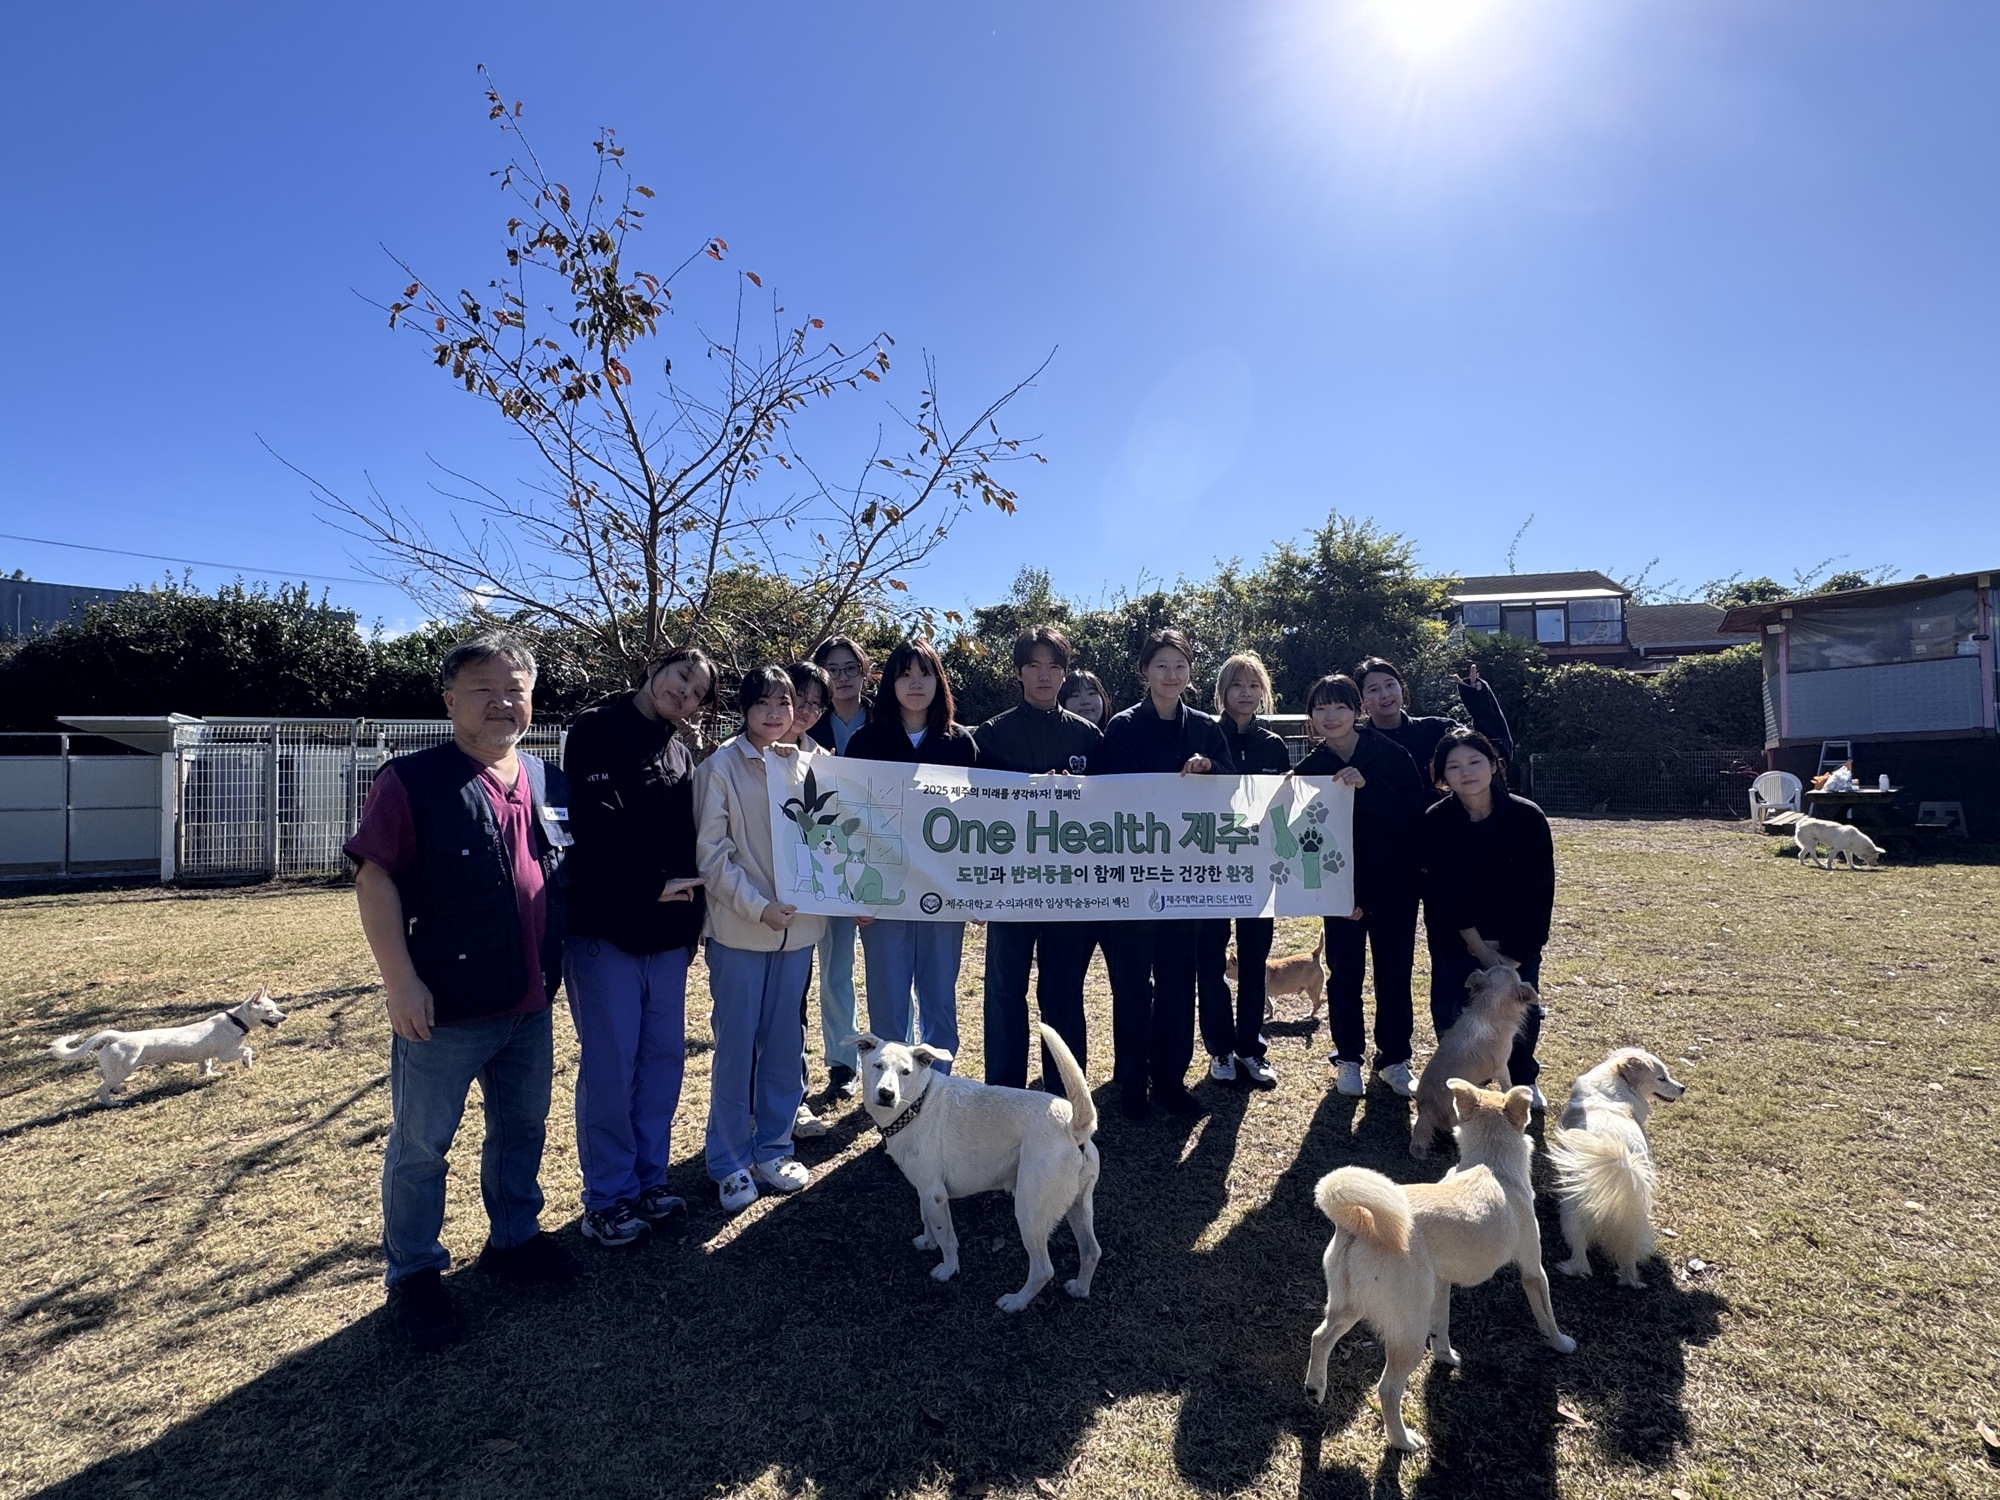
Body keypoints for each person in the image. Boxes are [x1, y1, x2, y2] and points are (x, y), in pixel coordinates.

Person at [346, 632, 576, 1352]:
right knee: (421, 1146)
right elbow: (374, 878)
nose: (502, 702)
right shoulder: (411, 780)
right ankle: (414, 1273)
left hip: (530, 1000)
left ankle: (514, 1238)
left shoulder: (545, 778)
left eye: (515, 689)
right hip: (445, 1005)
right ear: (450, 701)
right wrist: (400, 982)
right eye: (483, 689)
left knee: (523, 1129)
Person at [561, 646, 717, 1251]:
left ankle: (650, 1180)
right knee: (611, 1065)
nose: (685, 694)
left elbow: (689, 839)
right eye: (681, 677)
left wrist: (692, 917)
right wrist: (651, 883)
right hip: (607, 929)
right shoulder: (595, 729)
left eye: (698, 692)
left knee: (662, 1061)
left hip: (669, 935)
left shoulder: (679, 752)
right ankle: (607, 1197)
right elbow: (592, 827)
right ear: (655, 669)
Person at [695, 668, 829, 1213]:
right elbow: (713, 856)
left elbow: (837, 840)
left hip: (799, 933)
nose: (775, 714)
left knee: (783, 1044)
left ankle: (774, 1147)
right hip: (740, 932)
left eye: (784, 703)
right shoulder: (720, 767)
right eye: (763, 703)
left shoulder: (812, 764)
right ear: (745, 709)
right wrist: (758, 907)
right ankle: (728, 1161)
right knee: (735, 1048)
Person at [1094, 628, 1236, 1121]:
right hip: (1134, 877)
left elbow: (1233, 783)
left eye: (1180, 666)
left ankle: (1171, 1081)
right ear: (1145, 672)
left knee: (1179, 982)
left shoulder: (1205, 728)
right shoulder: (1123, 727)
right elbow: (1110, 793)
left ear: (1190, 672)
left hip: (1187, 878)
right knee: (1133, 986)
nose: (1171, 675)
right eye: (1161, 666)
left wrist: (1210, 767)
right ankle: (1132, 1083)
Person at [972, 625, 1104, 1091]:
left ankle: (1065, 1093)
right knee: (1005, 990)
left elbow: (1111, 810)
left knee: (1062, 992)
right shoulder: (991, 735)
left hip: (1069, 886)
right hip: (1010, 885)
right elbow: (975, 810)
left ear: (1064, 673)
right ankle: (1004, 1092)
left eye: (1053, 666)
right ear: (1019, 672)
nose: (1044, 676)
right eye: (1034, 666)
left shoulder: (1089, 738)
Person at [1293, 674, 1430, 1101]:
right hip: (1340, 892)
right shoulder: (1310, 768)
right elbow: (1293, 834)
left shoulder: (1389, 754)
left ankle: (1394, 1058)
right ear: (1311, 718)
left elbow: (1414, 816)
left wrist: (1368, 787)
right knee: (1344, 974)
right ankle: (1348, 1057)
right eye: (1321, 708)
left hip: (1394, 887)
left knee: (1394, 972)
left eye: (1340, 707)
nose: (1331, 716)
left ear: (1358, 711)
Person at [844, 639, 976, 1070]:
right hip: (882, 891)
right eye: (905, 675)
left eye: (925, 674)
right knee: (887, 1002)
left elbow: (979, 823)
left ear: (939, 682)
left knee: (940, 1000)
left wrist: (976, 892)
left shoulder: (960, 744)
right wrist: (855, 890)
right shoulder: (866, 741)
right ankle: (888, 1091)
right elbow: (849, 818)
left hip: (943, 892)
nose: (915, 684)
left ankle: (938, 1088)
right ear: (890, 684)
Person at [1420, 727, 1555, 1108]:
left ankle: (1523, 1080)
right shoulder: (1437, 820)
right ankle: (1458, 1089)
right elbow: (1443, 890)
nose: (1466, 772)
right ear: (1442, 776)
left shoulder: (1527, 818)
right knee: (1454, 1011)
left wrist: (1513, 958)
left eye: (1474, 761)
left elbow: (1538, 891)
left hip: (1517, 939)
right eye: (1454, 766)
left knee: (1518, 1013)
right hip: (1457, 936)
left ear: (1493, 765)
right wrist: (1478, 948)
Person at [1197, 652, 1290, 1091]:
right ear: (1222, 691)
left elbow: (1285, 806)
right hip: (1210, 867)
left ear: (1264, 692)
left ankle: (1250, 1047)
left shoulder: (1273, 745)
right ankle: (1219, 1048)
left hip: (1259, 869)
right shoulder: (1202, 736)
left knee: (1254, 961)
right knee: (1210, 961)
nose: (1245, 694)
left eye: (1254, 686)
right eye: (1236, 685)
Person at [804, 636, 872, 1096]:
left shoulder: (887, 721)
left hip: (884, 858)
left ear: (865, 672)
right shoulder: (807, 727)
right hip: (826, 860)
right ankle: (843, 1063)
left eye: (851, 668)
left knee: (891, 970)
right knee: (834, 967)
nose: (843, 678)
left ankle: (898, 1054)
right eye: (833, 669)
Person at [783, 660, 835, 1141]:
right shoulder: (738, 754)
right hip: (745, 911)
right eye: (800, 697)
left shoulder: (823, 762)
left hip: (799, 912)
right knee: (744, 1023)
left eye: (817, 704)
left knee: (792, 1010)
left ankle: (792, 1102)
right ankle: (749, 1111)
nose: (806, 710)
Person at [1355, 656, 1514, 768]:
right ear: (1361, 699)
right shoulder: (1356, 743)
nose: (1385, 694)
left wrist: (1480, 703)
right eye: (1374, 689)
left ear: (1402, 688)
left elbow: (1496, 756)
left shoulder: (1439, 730)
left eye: (1390, 685)